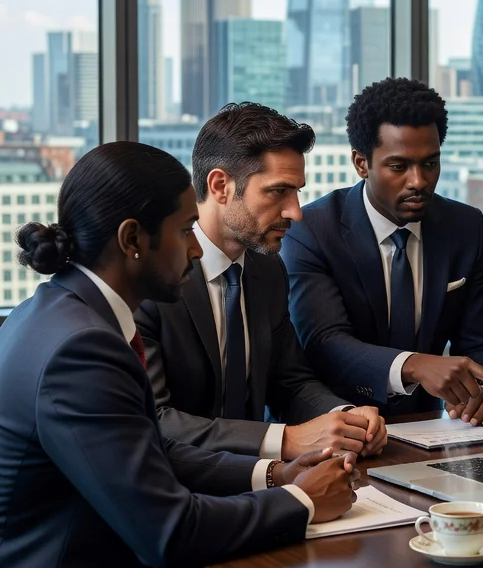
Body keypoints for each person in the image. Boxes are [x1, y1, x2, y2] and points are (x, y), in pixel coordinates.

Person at [0, 142, 360, 568]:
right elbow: (167, 531)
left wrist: (270, 473)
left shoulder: (63, 315)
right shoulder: (79, 350)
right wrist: (301, 502)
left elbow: (152, 452)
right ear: (133, 238)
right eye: (185, 230)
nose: (197, 248)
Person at [135, 103, 386, 462]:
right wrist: (284, 440)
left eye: (297, 191)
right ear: (220, 186)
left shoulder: (268, 270)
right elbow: (154, 420)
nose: (295, 212)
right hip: (174, 489)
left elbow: (290, 382)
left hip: (258, 484)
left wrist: (345, 418)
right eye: (278, 191)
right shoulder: (150, 282)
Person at [282, 78, 483, 427]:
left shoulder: (465, 226)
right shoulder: (312, 230)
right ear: (361, 163)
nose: (418, 181)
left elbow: (481, 342)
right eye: (399, 167)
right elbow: (325, 343)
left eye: (430, 164)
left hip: (432, 431)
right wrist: (415, 364)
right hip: (334, 429)